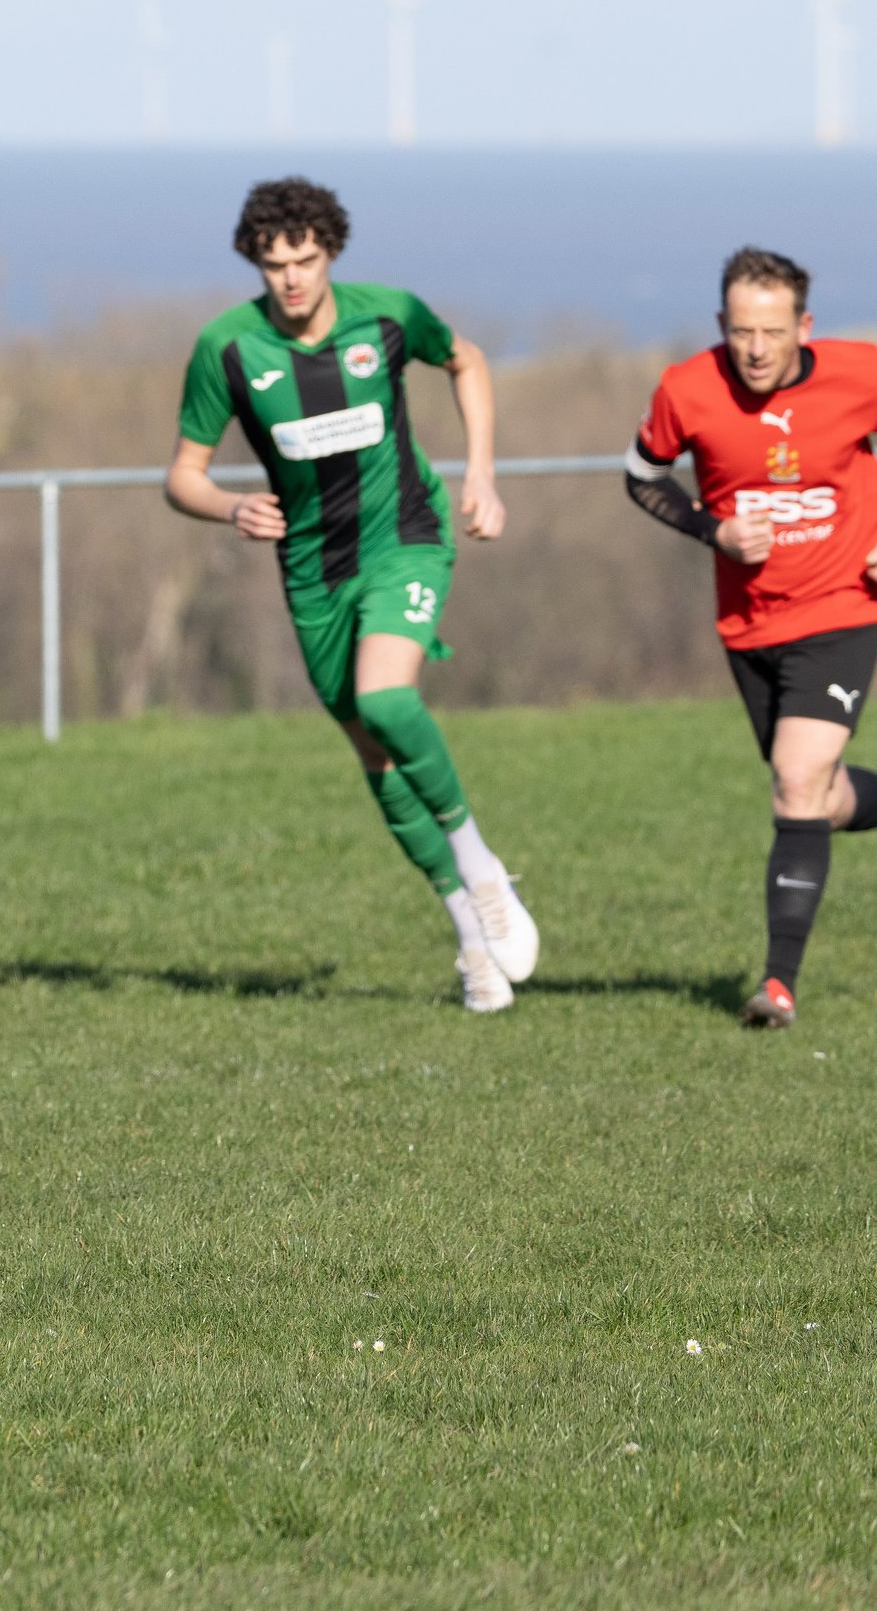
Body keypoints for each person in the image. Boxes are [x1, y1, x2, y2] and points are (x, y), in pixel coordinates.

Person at [163, 176, 538, 1012]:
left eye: (306, 259)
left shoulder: (389, 314)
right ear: (255, 264)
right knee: (373, 750)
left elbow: (466, 359)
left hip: (404, 537)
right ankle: (473, 940)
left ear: (331, 252)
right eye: (274, 265)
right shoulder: (227, 348)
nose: (292, 279)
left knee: (387, 699)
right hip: (313, 571)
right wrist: (230, 505)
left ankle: (483, 872)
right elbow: (180, 476)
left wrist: (480, 471)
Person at [623, 248, 877, 1028]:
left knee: (796, 781)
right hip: (746, 623)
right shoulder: (686, 388)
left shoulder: (858, 374)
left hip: (843, 609)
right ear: (721, 327)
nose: (757, 349)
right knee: (820, 797)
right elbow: (641, 475)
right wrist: (713, 531)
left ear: (804, 325)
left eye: (772, 331)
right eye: (741, 332)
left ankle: (777, 985)